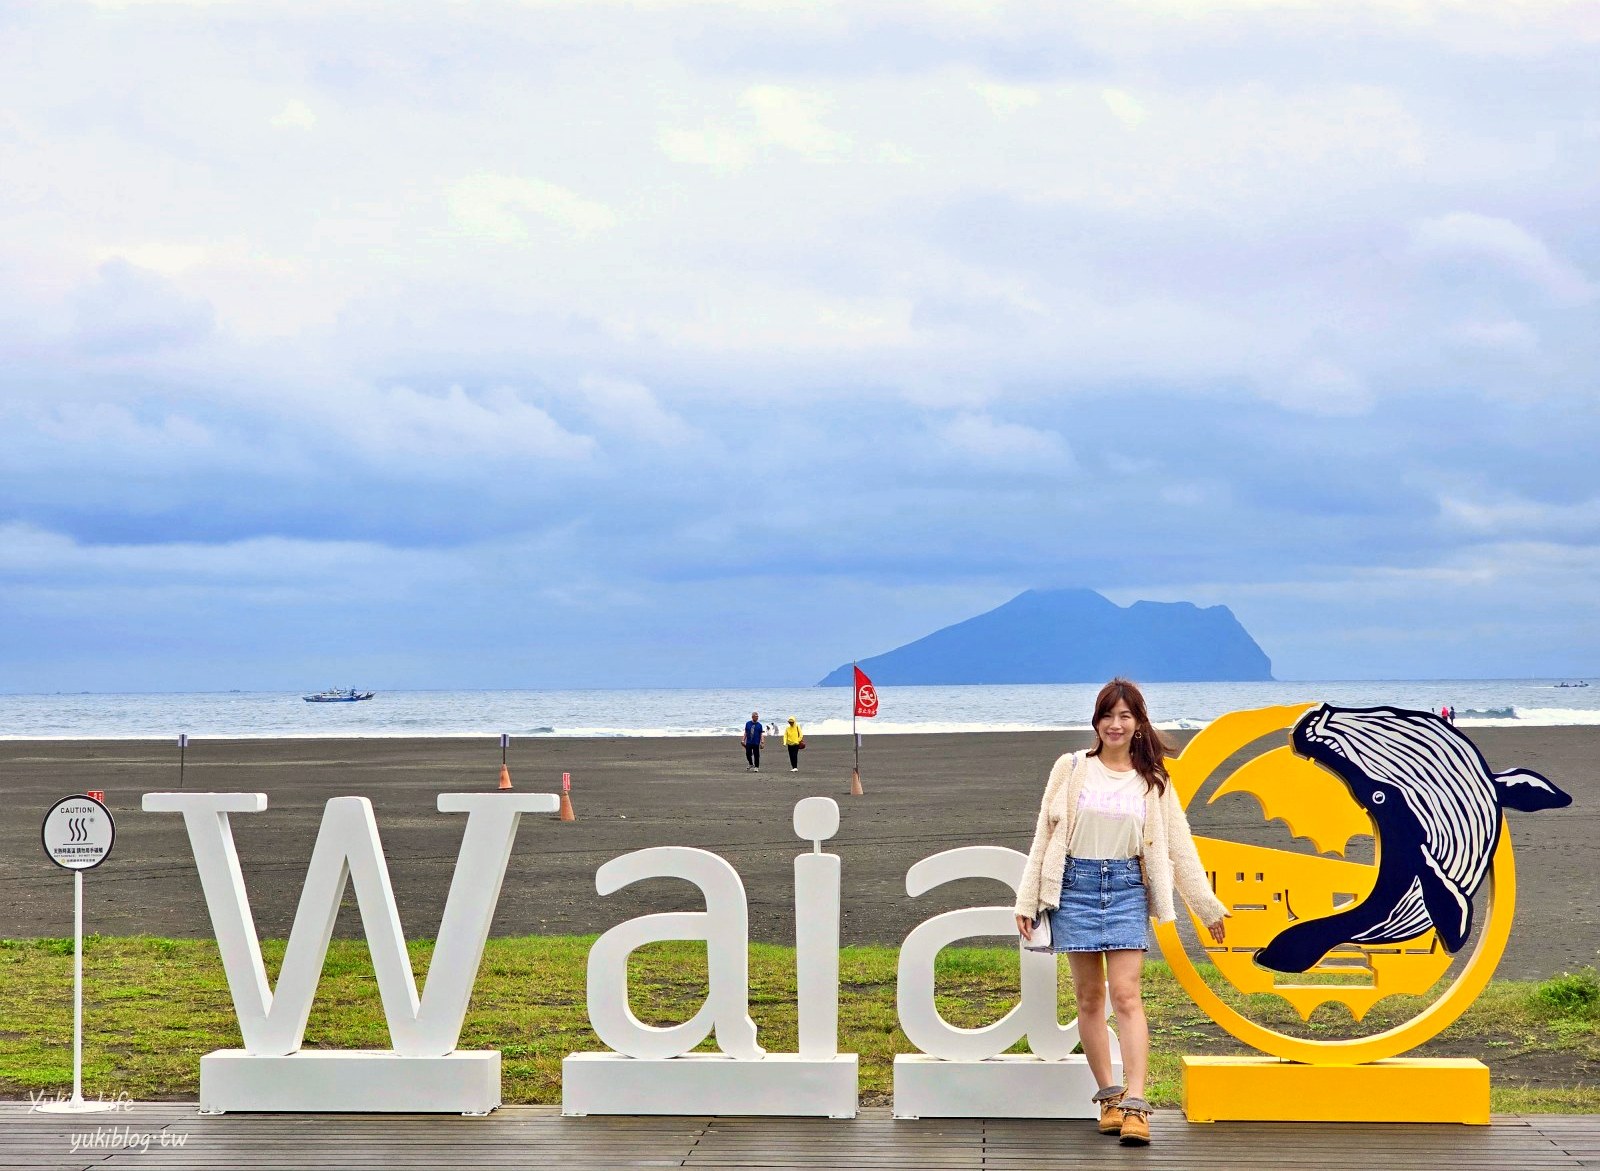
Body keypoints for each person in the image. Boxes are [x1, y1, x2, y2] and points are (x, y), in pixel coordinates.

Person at [1013, 678, 1227, 1147]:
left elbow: (1178, 848)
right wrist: (1027, 899)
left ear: (1138, 723)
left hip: (1128, 887)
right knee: (1090, 999)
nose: (1116, 724)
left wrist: (1207, 907)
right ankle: (1108, 1099)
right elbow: (1043, 836)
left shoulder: (1154, 780)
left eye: (1125, 716)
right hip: (1073, 887)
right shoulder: (1070, 769)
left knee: (1126, 995)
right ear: (1097, 721)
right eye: (1108, 715)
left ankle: (1135, 1104)